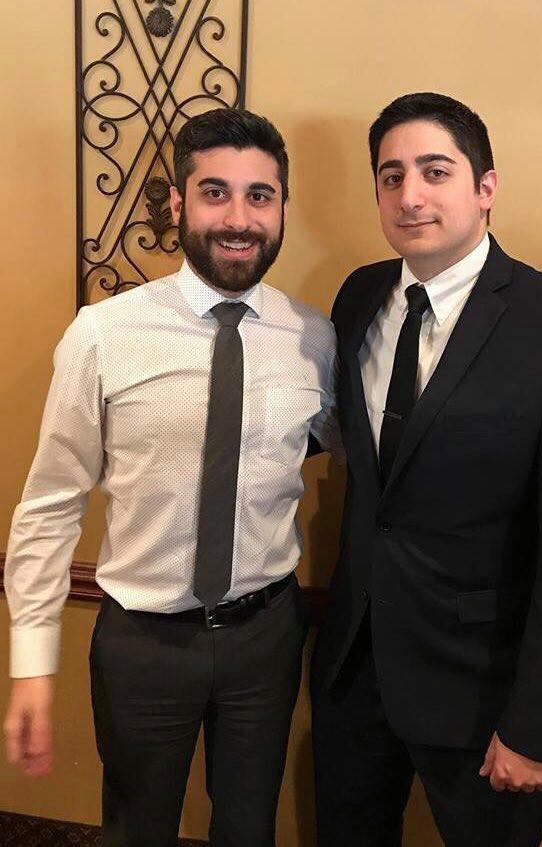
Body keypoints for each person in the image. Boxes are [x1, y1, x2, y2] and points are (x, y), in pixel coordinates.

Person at [4, 107, 340, 847]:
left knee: (249, 829)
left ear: (282, 208)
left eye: (259, 195)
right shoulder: (104, 335)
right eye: (215, 192)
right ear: (180, 203)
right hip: (143, 642)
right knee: (136, 830)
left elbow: (331, 451)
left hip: (266, 636)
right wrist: (31, 663)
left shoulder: (314, 338)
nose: (239, 219)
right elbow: (51, 503)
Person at [311, 92, 542, 847]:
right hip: (353, 671)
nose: (409, 196)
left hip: (482, 692)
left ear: (485, 187)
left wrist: (537, 725)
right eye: (391, 176)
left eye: (434, 171)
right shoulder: (358, 296)